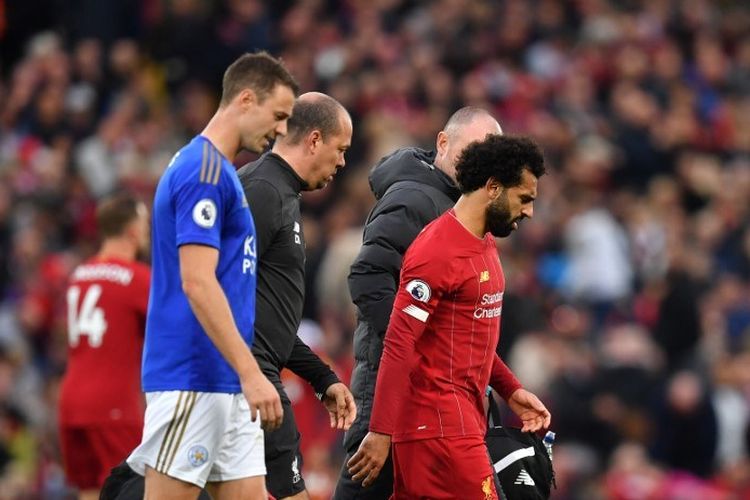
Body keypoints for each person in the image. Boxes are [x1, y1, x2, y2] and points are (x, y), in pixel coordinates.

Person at [125, 51, 298, 500]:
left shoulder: (223, 172)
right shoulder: (203, 172)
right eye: (278, 116)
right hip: (193, 378)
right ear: (245, 99)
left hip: (228, 383)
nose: (281, 130)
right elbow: (197, 281)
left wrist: (243, 376)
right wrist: (251, 372)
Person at [346, 134, 552, 499]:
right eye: (524, 198)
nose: (529, 211)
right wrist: (380, 432)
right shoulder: (436, 251)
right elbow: (399, 340)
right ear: (492, 187)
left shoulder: (483, 241)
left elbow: (469, 337)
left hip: (457, 423)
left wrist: (511, 389)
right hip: (439, 430)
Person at [335, 106, 504, 499]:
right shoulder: (416, 199)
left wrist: (506, 386)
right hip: (392, 391)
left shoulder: (458, 207)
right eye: (474, 150)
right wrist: (418, 344)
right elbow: (367, 277)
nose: (482, 164)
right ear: (442, 143)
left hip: (429, 397)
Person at [236, 91, 357, 500]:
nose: (342, 162)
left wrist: (321, 378)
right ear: (314, 139)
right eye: (340, 149)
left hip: (254, 377)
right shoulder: (262, 192)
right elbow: (223, 292)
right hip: (250, 384)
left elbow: (268, 316)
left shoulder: (281, 193)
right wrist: (250, 374)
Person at [58, 193, 150, 500]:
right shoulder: (137, 279)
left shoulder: (79, 276)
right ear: (134, 231)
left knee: (88, 490)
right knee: (129, 488)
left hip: (71, 402)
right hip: (113, 404)